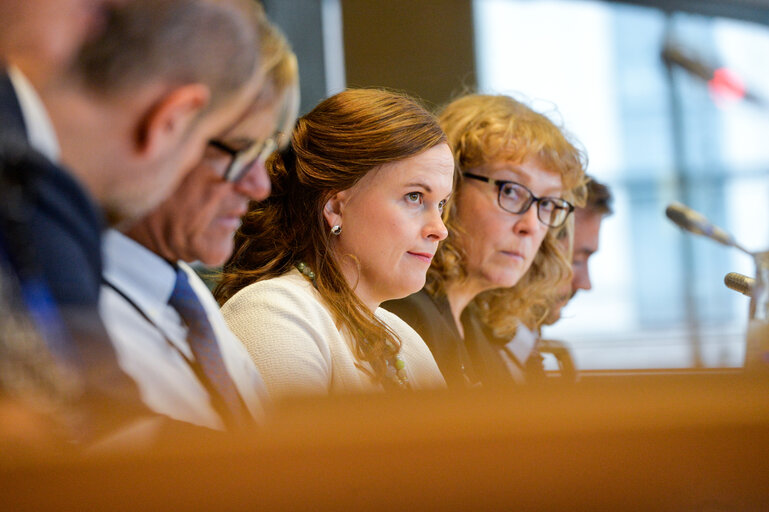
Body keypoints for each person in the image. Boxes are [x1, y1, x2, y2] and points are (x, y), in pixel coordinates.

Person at [0, 0, 263, 442]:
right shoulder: (35, 196)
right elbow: (94, 433)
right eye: (206, 144)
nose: (258, 185)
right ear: (171, 119)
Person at [99, 14, 300, 431]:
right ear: (161, 127)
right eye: (238, 152)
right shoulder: (65, 313)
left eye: (263, 154)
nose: (259, 185)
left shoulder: (187, 294)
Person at [215, 89, 453, 400]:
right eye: (414, 197)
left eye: (441, 204)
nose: (440, 230)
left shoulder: (404, 340)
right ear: (335, 207)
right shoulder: (274, 313)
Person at [384, 94, 587, 388]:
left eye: (547, 203)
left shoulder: (477, 326)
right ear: (449, 186)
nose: (530, 225)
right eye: (510, 191)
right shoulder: (403, 317)